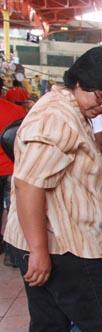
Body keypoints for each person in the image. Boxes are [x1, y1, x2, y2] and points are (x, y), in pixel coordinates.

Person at [4, 46, 102, 332]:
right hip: (64, 246)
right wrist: (38, 251)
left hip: (50, 240)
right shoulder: (57, 117)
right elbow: (28, 184)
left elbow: (63, 170)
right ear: (79, 80)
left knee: (49, 325)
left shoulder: (70, 108)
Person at [0, 98, 26, 266]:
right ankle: (13, 255)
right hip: (12, 167)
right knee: (14, 212)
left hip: (10, 168)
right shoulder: (17, 110)